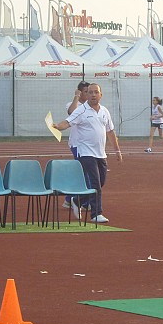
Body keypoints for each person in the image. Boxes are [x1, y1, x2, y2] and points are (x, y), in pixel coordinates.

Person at [52, 83, 122, 223]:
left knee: (100, 181)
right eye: (90, 92)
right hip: (85, 152)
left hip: (100, 153)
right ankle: (96, 214)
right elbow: (68, 122)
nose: (93, 95)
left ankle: (77, 200)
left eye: (96, 92)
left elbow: (110, 131)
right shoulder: (81, 110)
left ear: (101, 95)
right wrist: (58, 126)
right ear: (86, 94)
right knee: (95, 182)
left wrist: (117, 150)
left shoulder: (104, 111)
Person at [61, 81, 90, 209]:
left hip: (89, 146)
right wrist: (76, 97)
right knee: (84, 173)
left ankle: (70, 199)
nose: (89, 94)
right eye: (86, 92)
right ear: (79, 92)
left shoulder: (92, 106)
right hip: (78, 145)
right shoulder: (74, 104)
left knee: (85, 173)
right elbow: (72, 113)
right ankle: (80, 200)